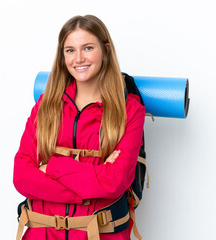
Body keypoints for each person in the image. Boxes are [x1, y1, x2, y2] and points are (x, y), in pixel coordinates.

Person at [13, 15, 146, 240]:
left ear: (106, 50)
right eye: (70, 50)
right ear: (62, 56)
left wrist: (53, 167)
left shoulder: (130, 110)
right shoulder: (45, 106)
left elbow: (114, 182)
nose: (79, 58)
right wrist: (90, 187)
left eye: (88, 48)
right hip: (42, 233)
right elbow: (22, 176)